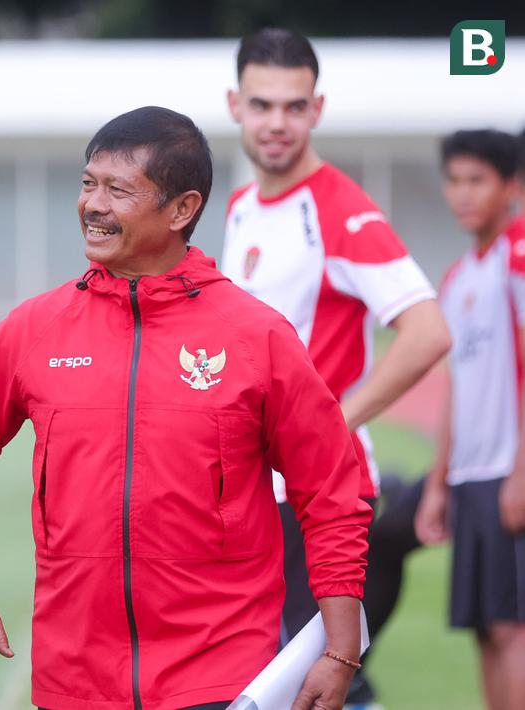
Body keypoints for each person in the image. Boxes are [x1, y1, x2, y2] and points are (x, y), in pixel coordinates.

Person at [0, 106, 373, 710]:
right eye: (88, 183)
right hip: (74, 682)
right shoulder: (36, 329)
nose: (93, 205)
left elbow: (331, 491)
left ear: (182, 209)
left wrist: (341, 650)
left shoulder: (255, 336)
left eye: (119, 189)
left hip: (221, 678)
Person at [220, 28, 451, 706]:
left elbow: (427, 332)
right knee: (272, 677)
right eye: (262, 105)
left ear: (316, 109)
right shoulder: (239, 207)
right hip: (258, 493)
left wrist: (328, 423)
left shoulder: (339, 209)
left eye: (294, 106)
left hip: (319, 494)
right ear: (234, 105)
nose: (277, 122)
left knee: (316, 686)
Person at [416, 129, 525, 710]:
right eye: (454, 180)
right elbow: (456, 390)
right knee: (485, 627)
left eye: (477, 180)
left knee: (513, 628)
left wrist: (522, 471)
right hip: (470, 477)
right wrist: (439, 484)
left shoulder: (519, 253)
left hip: (510, 469)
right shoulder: (457, 277)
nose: (463, 193)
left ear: (512, 186)